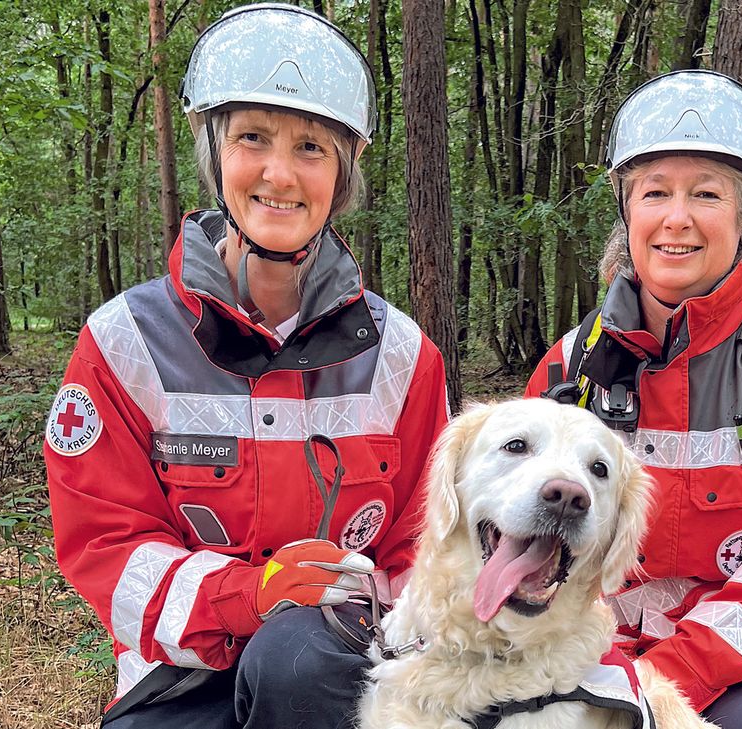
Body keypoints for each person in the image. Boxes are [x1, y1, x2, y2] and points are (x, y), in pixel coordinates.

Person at [43, 5, 448, 728]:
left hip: (334, 674)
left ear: (344, 172)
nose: (279, 173)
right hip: (175, 681)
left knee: (298, 657)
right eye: (253, 138)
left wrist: (369, 625)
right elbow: (108, 547)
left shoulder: (403, 356)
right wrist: (250, 593)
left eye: (312, 148)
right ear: (214, 153)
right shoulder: (124, 342)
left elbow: (429, 546)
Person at [525, 70, 742, 728]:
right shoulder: (569, 368)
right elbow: (525, 539)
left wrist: (670, 671)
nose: (676, 217)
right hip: (593, 644)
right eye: (655, 191)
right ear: (628, 211)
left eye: (706, 193)